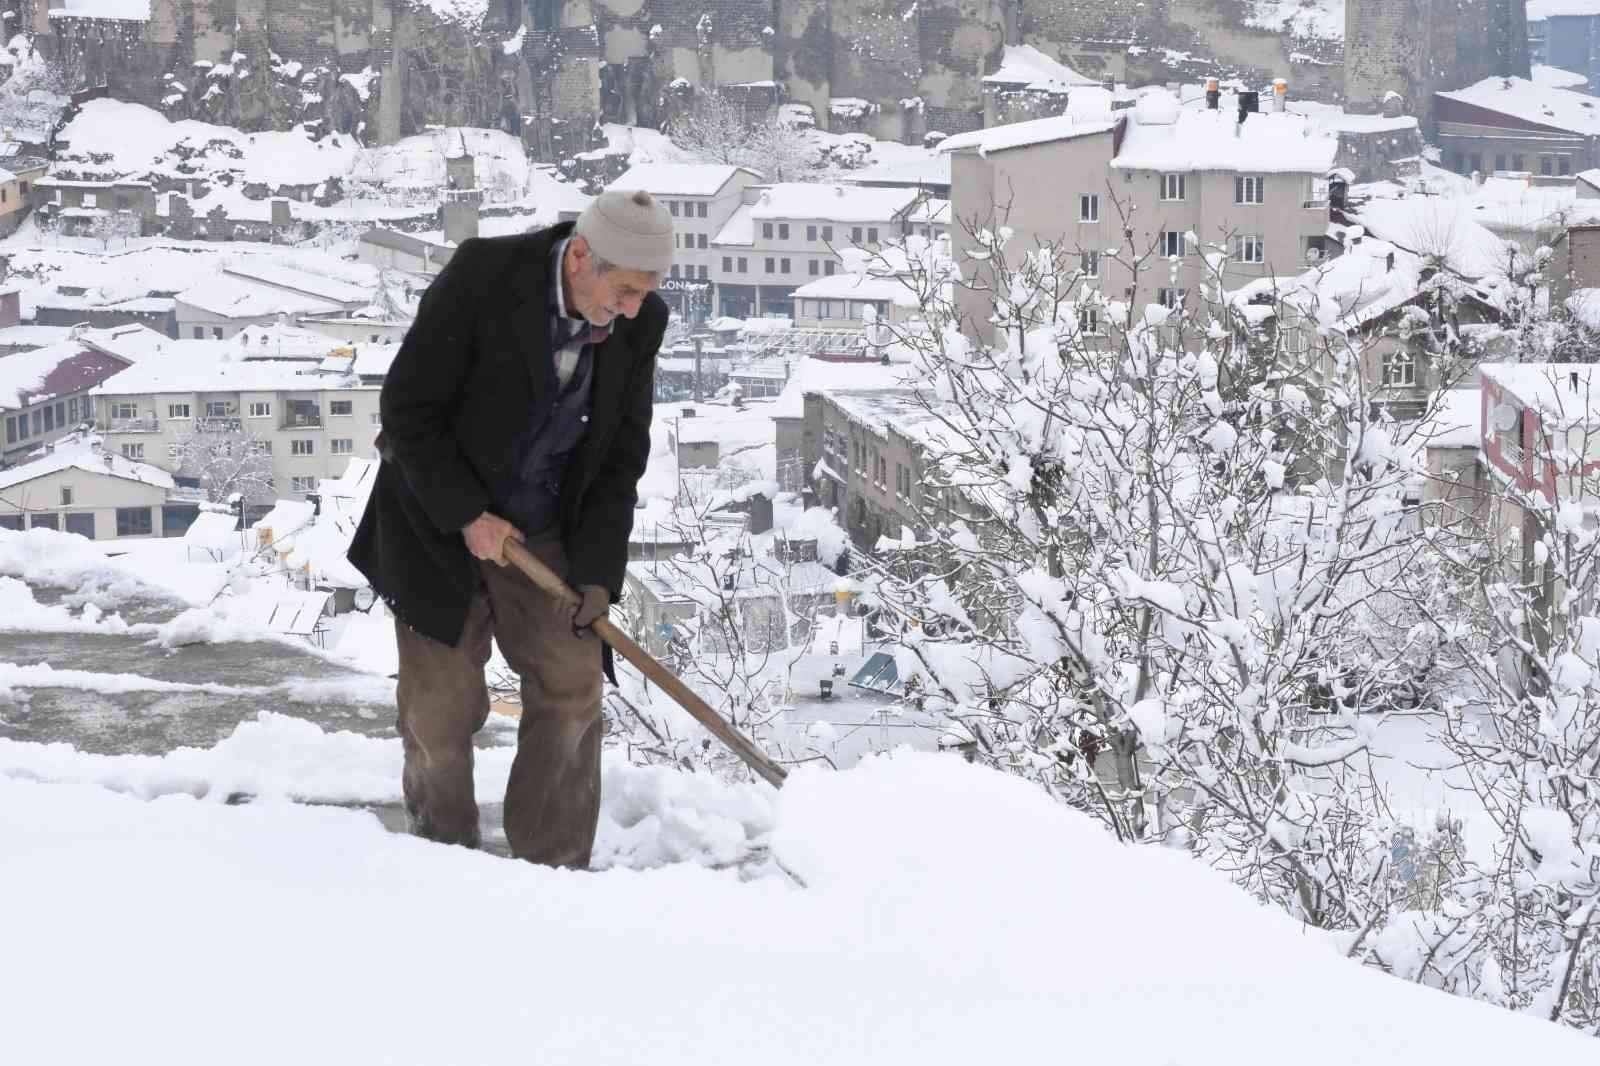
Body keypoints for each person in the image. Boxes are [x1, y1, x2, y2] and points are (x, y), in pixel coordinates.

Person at [348, 189, 673, 867]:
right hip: (436, 515)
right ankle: (443, 852)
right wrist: (467, 513)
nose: (634, 308)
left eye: (647, 293)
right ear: (581, 257)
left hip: (545, 526)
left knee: (573, 683)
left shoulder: (642, 323)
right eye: (626, 290)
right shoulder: (484, 278)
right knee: (440, 708)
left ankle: (552, 865)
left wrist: (595, 577)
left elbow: (619, 458)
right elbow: (407, 411)